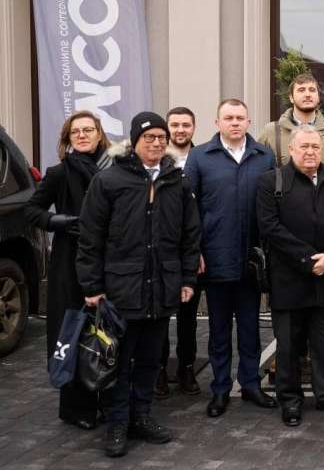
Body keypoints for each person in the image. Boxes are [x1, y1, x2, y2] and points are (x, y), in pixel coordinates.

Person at [76, 112, 200, 457]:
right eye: (149, 138)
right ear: (135, 142)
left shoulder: (177, 181)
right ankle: (117, 423)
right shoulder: (109, 180)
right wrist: (92, 286)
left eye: (162, 138)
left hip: (162, 286)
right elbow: (90, 237)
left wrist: (187, 277)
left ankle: (141, 416)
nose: (157, 143)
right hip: (121, 288)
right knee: (118, 360)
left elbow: (190, 235)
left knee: (150, 359)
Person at [256, 125, 324, 426]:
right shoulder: (271, 181)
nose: (311, 152)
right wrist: (307, 259)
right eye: (304, 147)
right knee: (288, 347)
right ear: (291, 149)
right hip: (289, 280)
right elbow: (269, 227)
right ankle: (290, 400)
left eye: (316, 146)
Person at [183, 99, 277, 418]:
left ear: (249, 122)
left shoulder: (264, 156)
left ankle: (250, 384)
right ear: (217, 122)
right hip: (215, 257)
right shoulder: (200, 157)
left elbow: (272, 205)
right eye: (229, 118)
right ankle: (220, 388)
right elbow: (189, 209)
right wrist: (194, 250)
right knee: (219, 330)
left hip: (251, 260)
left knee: (250, 328)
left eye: (240, 118)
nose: (235, 123)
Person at [24, 111, 111, 430]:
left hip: (108, 260)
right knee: (72, 331)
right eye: (76, 132)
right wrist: (57, 221)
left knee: (107, 332)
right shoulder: (59, 172)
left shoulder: (114, 169)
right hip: (69, 263)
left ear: (99, 134)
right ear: (68, 138)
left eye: (88, 130)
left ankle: (108, 399)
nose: (83, 135)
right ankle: (75, 407)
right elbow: (32, 210)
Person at [154, 106, 201, 398]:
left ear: (194, 127)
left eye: (186, 125)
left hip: (190, 250)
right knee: (158, 315)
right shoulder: (156, 159)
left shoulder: (202, 157)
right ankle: (159, 369)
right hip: (160, 251)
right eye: (175, 124)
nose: (180, 130)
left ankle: (186, 366)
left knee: (188, 316)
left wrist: (198, 251)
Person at [258, 74, 324, 169]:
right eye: (301, 90)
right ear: (291, 97)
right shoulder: (271, 132)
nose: (307, 94)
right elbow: (258, 170)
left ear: (318, 97)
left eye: (312, 90)